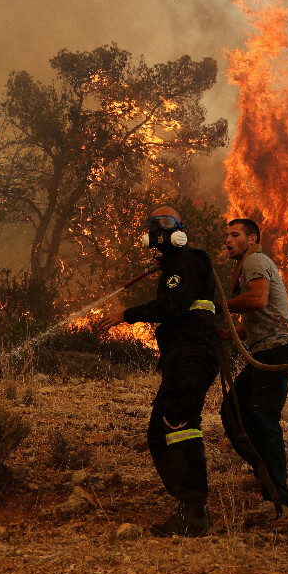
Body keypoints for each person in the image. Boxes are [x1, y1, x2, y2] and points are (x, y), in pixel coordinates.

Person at [101, 206, 219, 537]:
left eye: (166, 222)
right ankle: (188, 502)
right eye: (154, 224)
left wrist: (127, 314)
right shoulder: (173, 266)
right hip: (181, 356)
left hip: (192, 354)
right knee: (158, 430)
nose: (159, 228)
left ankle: (194, 511)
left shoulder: (188, 260)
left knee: (179, 423)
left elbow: (173, 306)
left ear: (180, 229)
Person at [219, 218, 288, 512]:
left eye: (234, 234)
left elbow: (257, 300)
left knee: (263, 419)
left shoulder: (254, 260)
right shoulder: (249, 265)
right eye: (226, 235)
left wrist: (218, 304)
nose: (228, 240)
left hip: (276, 352)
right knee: (232, 410)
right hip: (267, 351)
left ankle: (279, 493)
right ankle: (266, 476)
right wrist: (225, 335)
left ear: (251, 238)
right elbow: (251, 323)